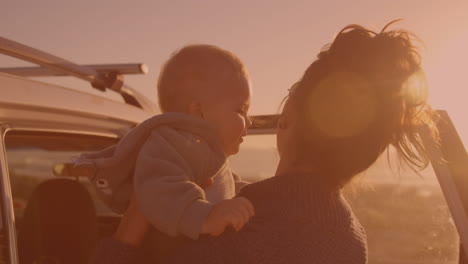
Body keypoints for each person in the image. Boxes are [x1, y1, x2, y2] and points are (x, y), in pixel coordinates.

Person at [92, 21, 439, 264]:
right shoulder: (351, 241)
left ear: (289, 114)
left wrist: (134, 223)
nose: (250, 119)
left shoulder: (239, 234)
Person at [78, 44, 256, 262]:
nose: (250, 121)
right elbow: (158, 188)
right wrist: (206, 216)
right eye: (241, 110)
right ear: (199, 111)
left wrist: (259, 197)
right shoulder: (168, 143)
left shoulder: (208, 155)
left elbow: (227, 185)